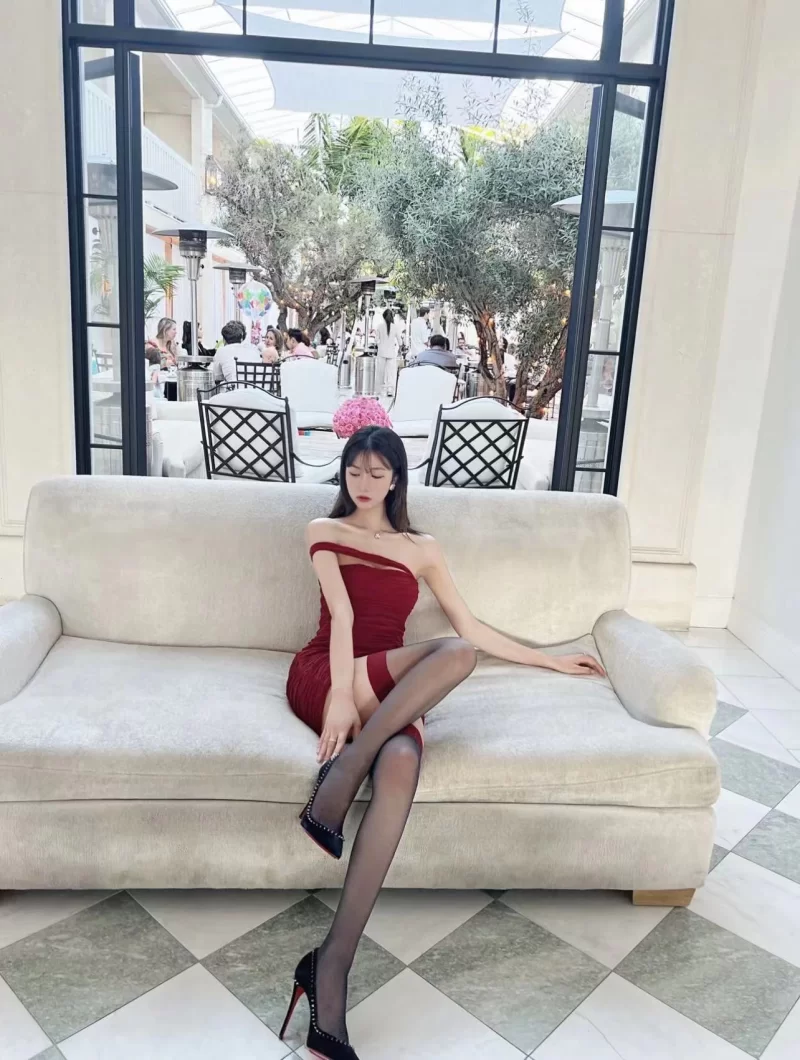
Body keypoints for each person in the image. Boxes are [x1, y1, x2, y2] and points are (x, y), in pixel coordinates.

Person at [282, 426, 606, 1060]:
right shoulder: (324, 530)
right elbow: (342, 617)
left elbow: (470, 627)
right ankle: (343, 775)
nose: (364, 482)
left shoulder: (423, 548)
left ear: (397, 479)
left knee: (404, 759)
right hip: (329, 672)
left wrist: (551, 659)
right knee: (451, 658)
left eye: (378, 472)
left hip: (392, 689)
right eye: (355, 470)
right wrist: (341, 695)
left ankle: (330, 965)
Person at [374, 306, 402, 394]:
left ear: (383, 316)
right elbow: (400, 341)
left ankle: (378, 390)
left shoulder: (379, 326)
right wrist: (400, 349)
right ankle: (390, 390)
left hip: (381, 352)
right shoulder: (395, 327)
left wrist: (379, 344)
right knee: (391, 373)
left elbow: (376, 340)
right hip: (391, 353)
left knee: (380, 372)